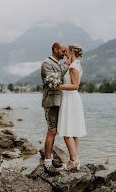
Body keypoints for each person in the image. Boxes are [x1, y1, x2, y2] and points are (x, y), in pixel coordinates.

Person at [40, 41, 70, 175]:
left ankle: (50, 159)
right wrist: (65, 67)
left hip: (59, 102)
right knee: (52, 131)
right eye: (63, 51)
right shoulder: (46, 63)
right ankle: (47, 163)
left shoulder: (56, 63)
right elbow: (53, 82)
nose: (65, 53)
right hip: (51, 102)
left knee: (55, 131)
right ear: (55, 49)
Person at [55, 43, 87, 171]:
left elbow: (75, 85)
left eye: (67, 50)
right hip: (71, 99)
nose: (65, 52)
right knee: (73, 132)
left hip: (70, 99)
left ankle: (74, 160)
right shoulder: (75, 64)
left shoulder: (74, 66)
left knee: (67, 132)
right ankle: (74, 159)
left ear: (72, 51)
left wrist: (58, 86)